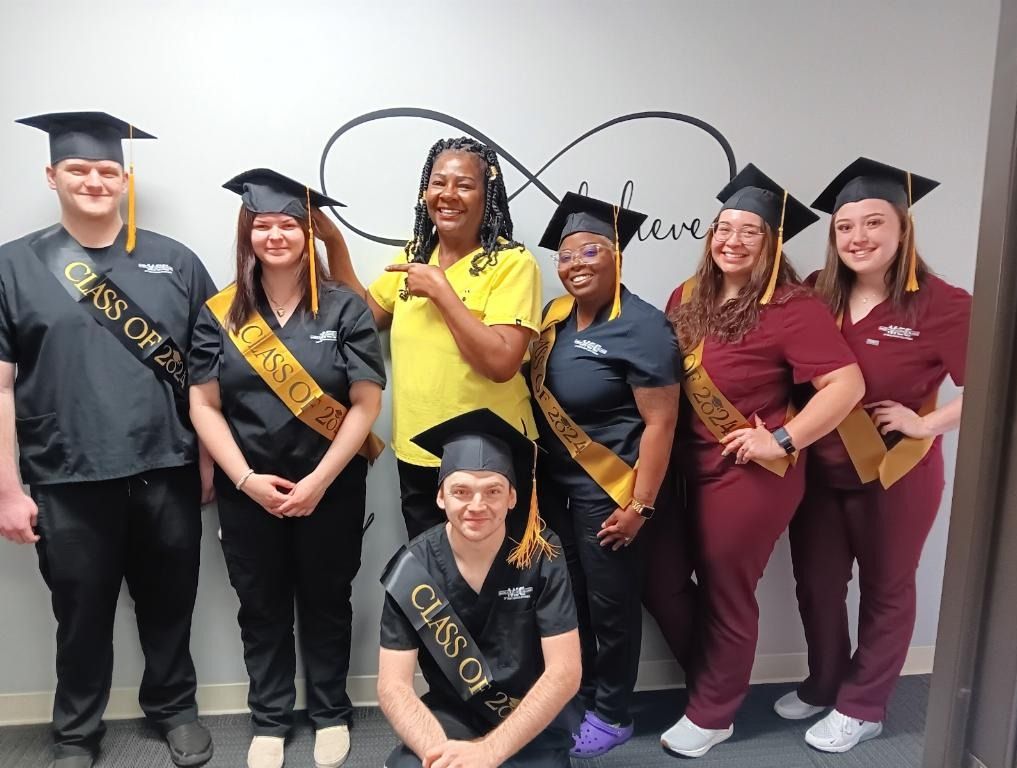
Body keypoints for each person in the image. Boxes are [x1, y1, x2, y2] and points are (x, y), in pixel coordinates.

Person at [0, 111, 215, 768]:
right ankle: (75, 732)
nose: (94, 180)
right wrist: (7, 489)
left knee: (170, 605)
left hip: (168, 469)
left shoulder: (176, 262)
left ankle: (174, 708)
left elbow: (208, 379)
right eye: (78, 169)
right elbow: (1, 387)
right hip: (66, 477)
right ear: (52, 175)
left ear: (124, 179)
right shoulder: (15, 266)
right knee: (81, 616)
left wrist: (207, 464)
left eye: (106, 170)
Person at [655, 164, 866, 758]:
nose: (733, 240)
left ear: (772, 244)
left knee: (727, 589)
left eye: (751, 231)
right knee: (663, 576)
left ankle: (715, 712)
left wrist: (785, 438)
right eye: (725, 227)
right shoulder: (685, 296)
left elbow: (845, 386)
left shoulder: (792, 308)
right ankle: (714, 676)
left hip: (748, 475)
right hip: (683, 469)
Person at [189, 169, 386, 768]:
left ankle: (330, 712)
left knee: (328, 600)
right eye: (263, 226)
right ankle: (270, 719)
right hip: (248, 490)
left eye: (289, 225)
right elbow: (203, 403)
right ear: (248, 233)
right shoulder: (220, 312)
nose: (276, 236)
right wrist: (246, 480)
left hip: (330, 486)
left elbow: (366, 403)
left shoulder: (347, 307)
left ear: (309, 232)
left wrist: (318, 481)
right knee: (261, 606)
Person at [774, 158, 971, 753]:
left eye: (873, 223)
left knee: (887, 589)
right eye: (844, 227)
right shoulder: (815, 293)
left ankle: (864, 705)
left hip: (894, 474)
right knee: (817, 584)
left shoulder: (943, 303)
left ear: (902, 229)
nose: (858, 238)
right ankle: (826, 680)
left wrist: (926, 421)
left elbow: (999, 381)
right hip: (821, 472)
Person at [318, 136, 542, 538]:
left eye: (464, 185)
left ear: (486, 193)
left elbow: (502, 363)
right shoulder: (415, 256)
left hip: (488, 460)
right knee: (434, 586)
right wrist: (334, 242)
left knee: (495, 586)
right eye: (438, 183)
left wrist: (441, 292)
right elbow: (364, 315)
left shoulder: (512, 263)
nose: (448, 195)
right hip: (418, 454)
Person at [531, 192, 680, 757]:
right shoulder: (555, 320)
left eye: (591, 249)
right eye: (566, 255)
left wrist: (640, 506)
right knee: (574, 601)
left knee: (613, 606)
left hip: (611, 490)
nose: (576, 263)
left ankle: (614, 711)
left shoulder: (641, 326)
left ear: (617, 255)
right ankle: (586, 692)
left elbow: (661, 424)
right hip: (558, 492)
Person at [377, 408, 582, 768]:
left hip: (528, 712)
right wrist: (440, 756)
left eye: (492, 491)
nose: (477, 505)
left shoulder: (542, 555)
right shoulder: (413, 567)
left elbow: (565, 672)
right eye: (461, 491)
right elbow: (393, 686)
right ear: (441, 497)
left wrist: (489, 752)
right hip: (450, 716)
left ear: (512, 498)